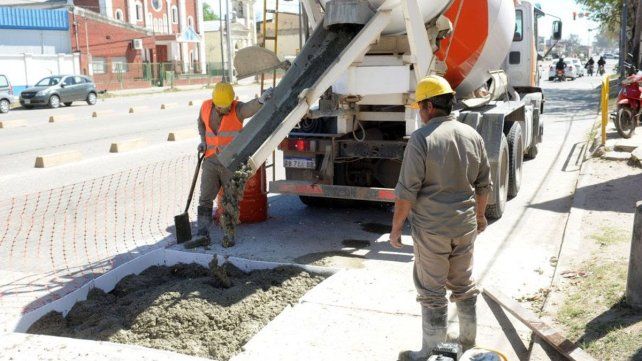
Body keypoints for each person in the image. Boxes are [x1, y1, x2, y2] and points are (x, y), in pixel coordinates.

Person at [389, 75, 492, 360]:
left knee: (431, 291)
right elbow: (484, 184)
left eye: (420, 107)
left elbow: (406, 192)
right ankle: (467, 343)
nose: (420, 114)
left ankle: (432, 352)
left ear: (430, 106)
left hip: (432, 229)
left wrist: (396, 230)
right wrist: (480, 216)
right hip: (465, 226)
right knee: (464, 285)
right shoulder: (472, 135)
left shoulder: (422, 140)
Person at [196, 82, 273, 244]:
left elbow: (249, 108)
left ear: (232, 101)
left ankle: (228, 235)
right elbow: (201, 123)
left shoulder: (237, 109)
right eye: (220, 107)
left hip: (230, 163)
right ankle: (202, 234)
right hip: (210, 160)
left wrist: (260, 101)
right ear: (214, 102)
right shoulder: (205, 107)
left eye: (226, 106)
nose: (223, 109)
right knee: (205, 197)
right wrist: (203, 141)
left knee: (230, 199)